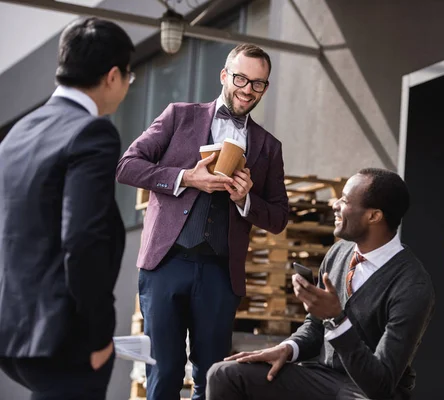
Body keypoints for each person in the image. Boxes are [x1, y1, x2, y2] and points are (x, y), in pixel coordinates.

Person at [115, 43, 288, 400]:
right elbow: (127, 165)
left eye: (258, 83)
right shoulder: (180, 115)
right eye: (241, 78)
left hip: (220, 274)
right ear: (225, 75)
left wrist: (246, 200)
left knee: (213, 377)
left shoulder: (269, 147)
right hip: (166, 265)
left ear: (265, 88)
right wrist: (186, 178)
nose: (248, 89)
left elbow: (279, 217)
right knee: (163, 370)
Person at [206, 168, 435, 400]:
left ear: (374, 216)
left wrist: (337, 319)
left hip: (366, 392)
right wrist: (288, 348)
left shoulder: (412, 285)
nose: (334, 205)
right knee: (224, 374)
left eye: (345, 201)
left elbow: (381, 384)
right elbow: (315, 327)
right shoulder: (339, 252)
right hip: (321, 378)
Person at [0, 17, 133, 400]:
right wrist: (99, 334)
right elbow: (82, 239)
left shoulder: (17, 132)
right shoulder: (92, 131)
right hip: (64, 336)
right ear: (113, 76)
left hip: (15, 331)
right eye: (128, 77)